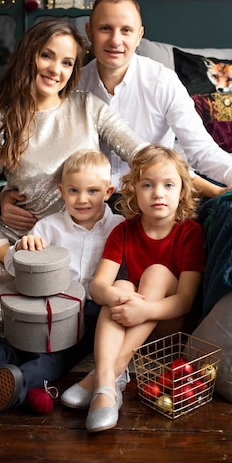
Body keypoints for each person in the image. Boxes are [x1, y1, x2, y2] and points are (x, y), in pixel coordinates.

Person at [0, 19, 147, 341]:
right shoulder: (0, 125)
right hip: (17, 243)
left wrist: (212, 186)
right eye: (47, 55)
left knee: (56, 307)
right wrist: (13, 257)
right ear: (30, 54)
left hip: (74, 240)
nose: (56, 69)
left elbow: (144, 156)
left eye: (67, 62)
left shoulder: (88, 108)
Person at [0, 0, 232, 232]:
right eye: (105, 28)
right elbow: (39, 146)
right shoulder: (70, 82)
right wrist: (5, 193)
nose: (116, 40)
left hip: (151, 196)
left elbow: (200, 148)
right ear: (90, 32)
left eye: (126, 30)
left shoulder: (163, 81)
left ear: (139, 35)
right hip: (86, 201)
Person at [0, 149, 130, 421]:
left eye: (92, 191)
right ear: (61, 191)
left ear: (108, 192)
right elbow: (14, 266)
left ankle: (13, 386)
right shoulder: (49, 227)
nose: (82, 200)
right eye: (73, 191)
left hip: (88, 311)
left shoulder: (118, 227)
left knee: (55, 356)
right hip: (42, 303)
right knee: (12, 342)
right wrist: (22, 249)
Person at [60, 144, 205, 432]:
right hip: (132, 321)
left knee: (156, 273)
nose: (158, 193)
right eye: (147, 185)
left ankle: (103, 376)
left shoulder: (190, 233)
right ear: (134, 191)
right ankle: (107, 387)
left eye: (168, 185)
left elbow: (186, 301)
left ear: (182, 192)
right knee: (122, 284)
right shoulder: (123, 231)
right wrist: (114, 294)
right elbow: (98, 285)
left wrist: (146, 309)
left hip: (168, 327)